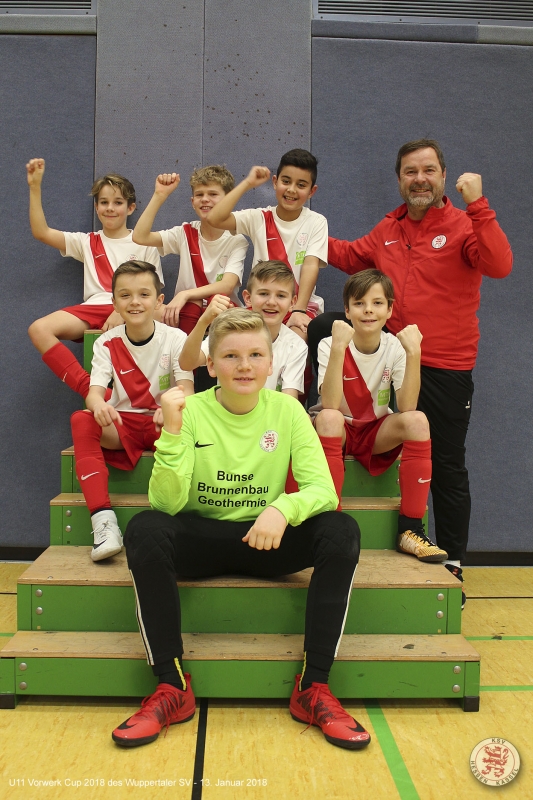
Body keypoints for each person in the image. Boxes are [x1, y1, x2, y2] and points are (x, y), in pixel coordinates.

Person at [111, 309, 370, 752]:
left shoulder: (287, 411)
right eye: (231, 356)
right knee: (145, 527)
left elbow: (323, 491)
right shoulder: (191, 410)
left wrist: (282, 509)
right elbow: (166, 504)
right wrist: (171, 433)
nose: (244, 365)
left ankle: (313, 687)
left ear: (271, 363)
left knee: (341, 530)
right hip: (200, 541)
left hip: (266, 541)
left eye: (255, 355)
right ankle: (171, 686)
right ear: (211, 366)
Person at [316, 138, 513, 600]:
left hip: (444, 364)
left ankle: (454, 565)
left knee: (447, 464)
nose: (419, 179)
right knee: (323, 326)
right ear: (400, 179)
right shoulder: (390, 228)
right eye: (410, 172)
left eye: (428, 170)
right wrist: (296, 228)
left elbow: (500, 265)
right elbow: (347, 255)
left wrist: (479, 205)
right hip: (392, 362)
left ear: (443, 175)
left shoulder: (465, 224)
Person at [313, 270, 444, 562]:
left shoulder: (394, 346)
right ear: (347, 310)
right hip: (341, 430)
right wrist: (338, 347)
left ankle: (410, 530)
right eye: (359, 303)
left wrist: (414, 354)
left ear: (390, 309)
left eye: (377, 303)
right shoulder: (329, 344)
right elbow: (330, 403)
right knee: (329, 417)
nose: (368, 310)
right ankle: (330, 521)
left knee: (418, 421)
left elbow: (407, 406)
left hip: (376, 432)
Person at [70, 261, 193, 562]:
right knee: (82, 419)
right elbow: (94, 393)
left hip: (163, 424)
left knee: (195, 422)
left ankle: (184, 523)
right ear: (114, 303)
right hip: (122, 425)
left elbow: (187, 390)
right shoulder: (106, 342)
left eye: (144, 294)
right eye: (125, 295)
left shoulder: (176, 338)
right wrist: (99, 405)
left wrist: (171, 408)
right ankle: (103, 522)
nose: (135, 302)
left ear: (159, 301)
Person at [26, 159, 163, 398]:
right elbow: (42, 232)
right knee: (39, 329)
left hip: (132, 308)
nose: (110, 208)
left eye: (118, 202)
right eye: (104, 202)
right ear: (97, 207)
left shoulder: (144, 242)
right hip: (94, 309)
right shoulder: (87, 241)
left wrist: (121, 311)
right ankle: (88, 388)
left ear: (130, 208)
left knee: (162, 314)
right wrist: (35, 187)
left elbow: (153, 292)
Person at [206, 149, 327, 342]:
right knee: (232, 338)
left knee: (296, 339)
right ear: (275, 182)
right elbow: (214, 218)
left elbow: (311, 265)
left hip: (300, 305)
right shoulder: (258, 218)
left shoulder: (316, 221)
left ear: (312, 191)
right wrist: (247, 183)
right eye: (286, 181)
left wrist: (299, 310)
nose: (291, 189)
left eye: (301, 185)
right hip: (261, 304)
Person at [131, 165, 248, 333]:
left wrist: (185, 294)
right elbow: (140, 237)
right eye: (199, 195)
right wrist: (159, 195)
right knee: (187, 306)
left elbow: (227, 286)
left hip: (223, 312)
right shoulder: (185, 233)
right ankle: (186, 348)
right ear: (193, 202)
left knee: (218, 300)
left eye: (213, 194)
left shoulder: (236, 239)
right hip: (188, 311)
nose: (205, 199)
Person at [179, 260, 308, 398]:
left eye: (281, 295)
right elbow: (187, 364)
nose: (271, 302)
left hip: (270, 411)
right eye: (263, 293)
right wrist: (203, 322)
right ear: (248, 298)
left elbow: (289, 399)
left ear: (292, 303)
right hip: (227, 409)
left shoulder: (296, 346)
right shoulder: (229, 329)